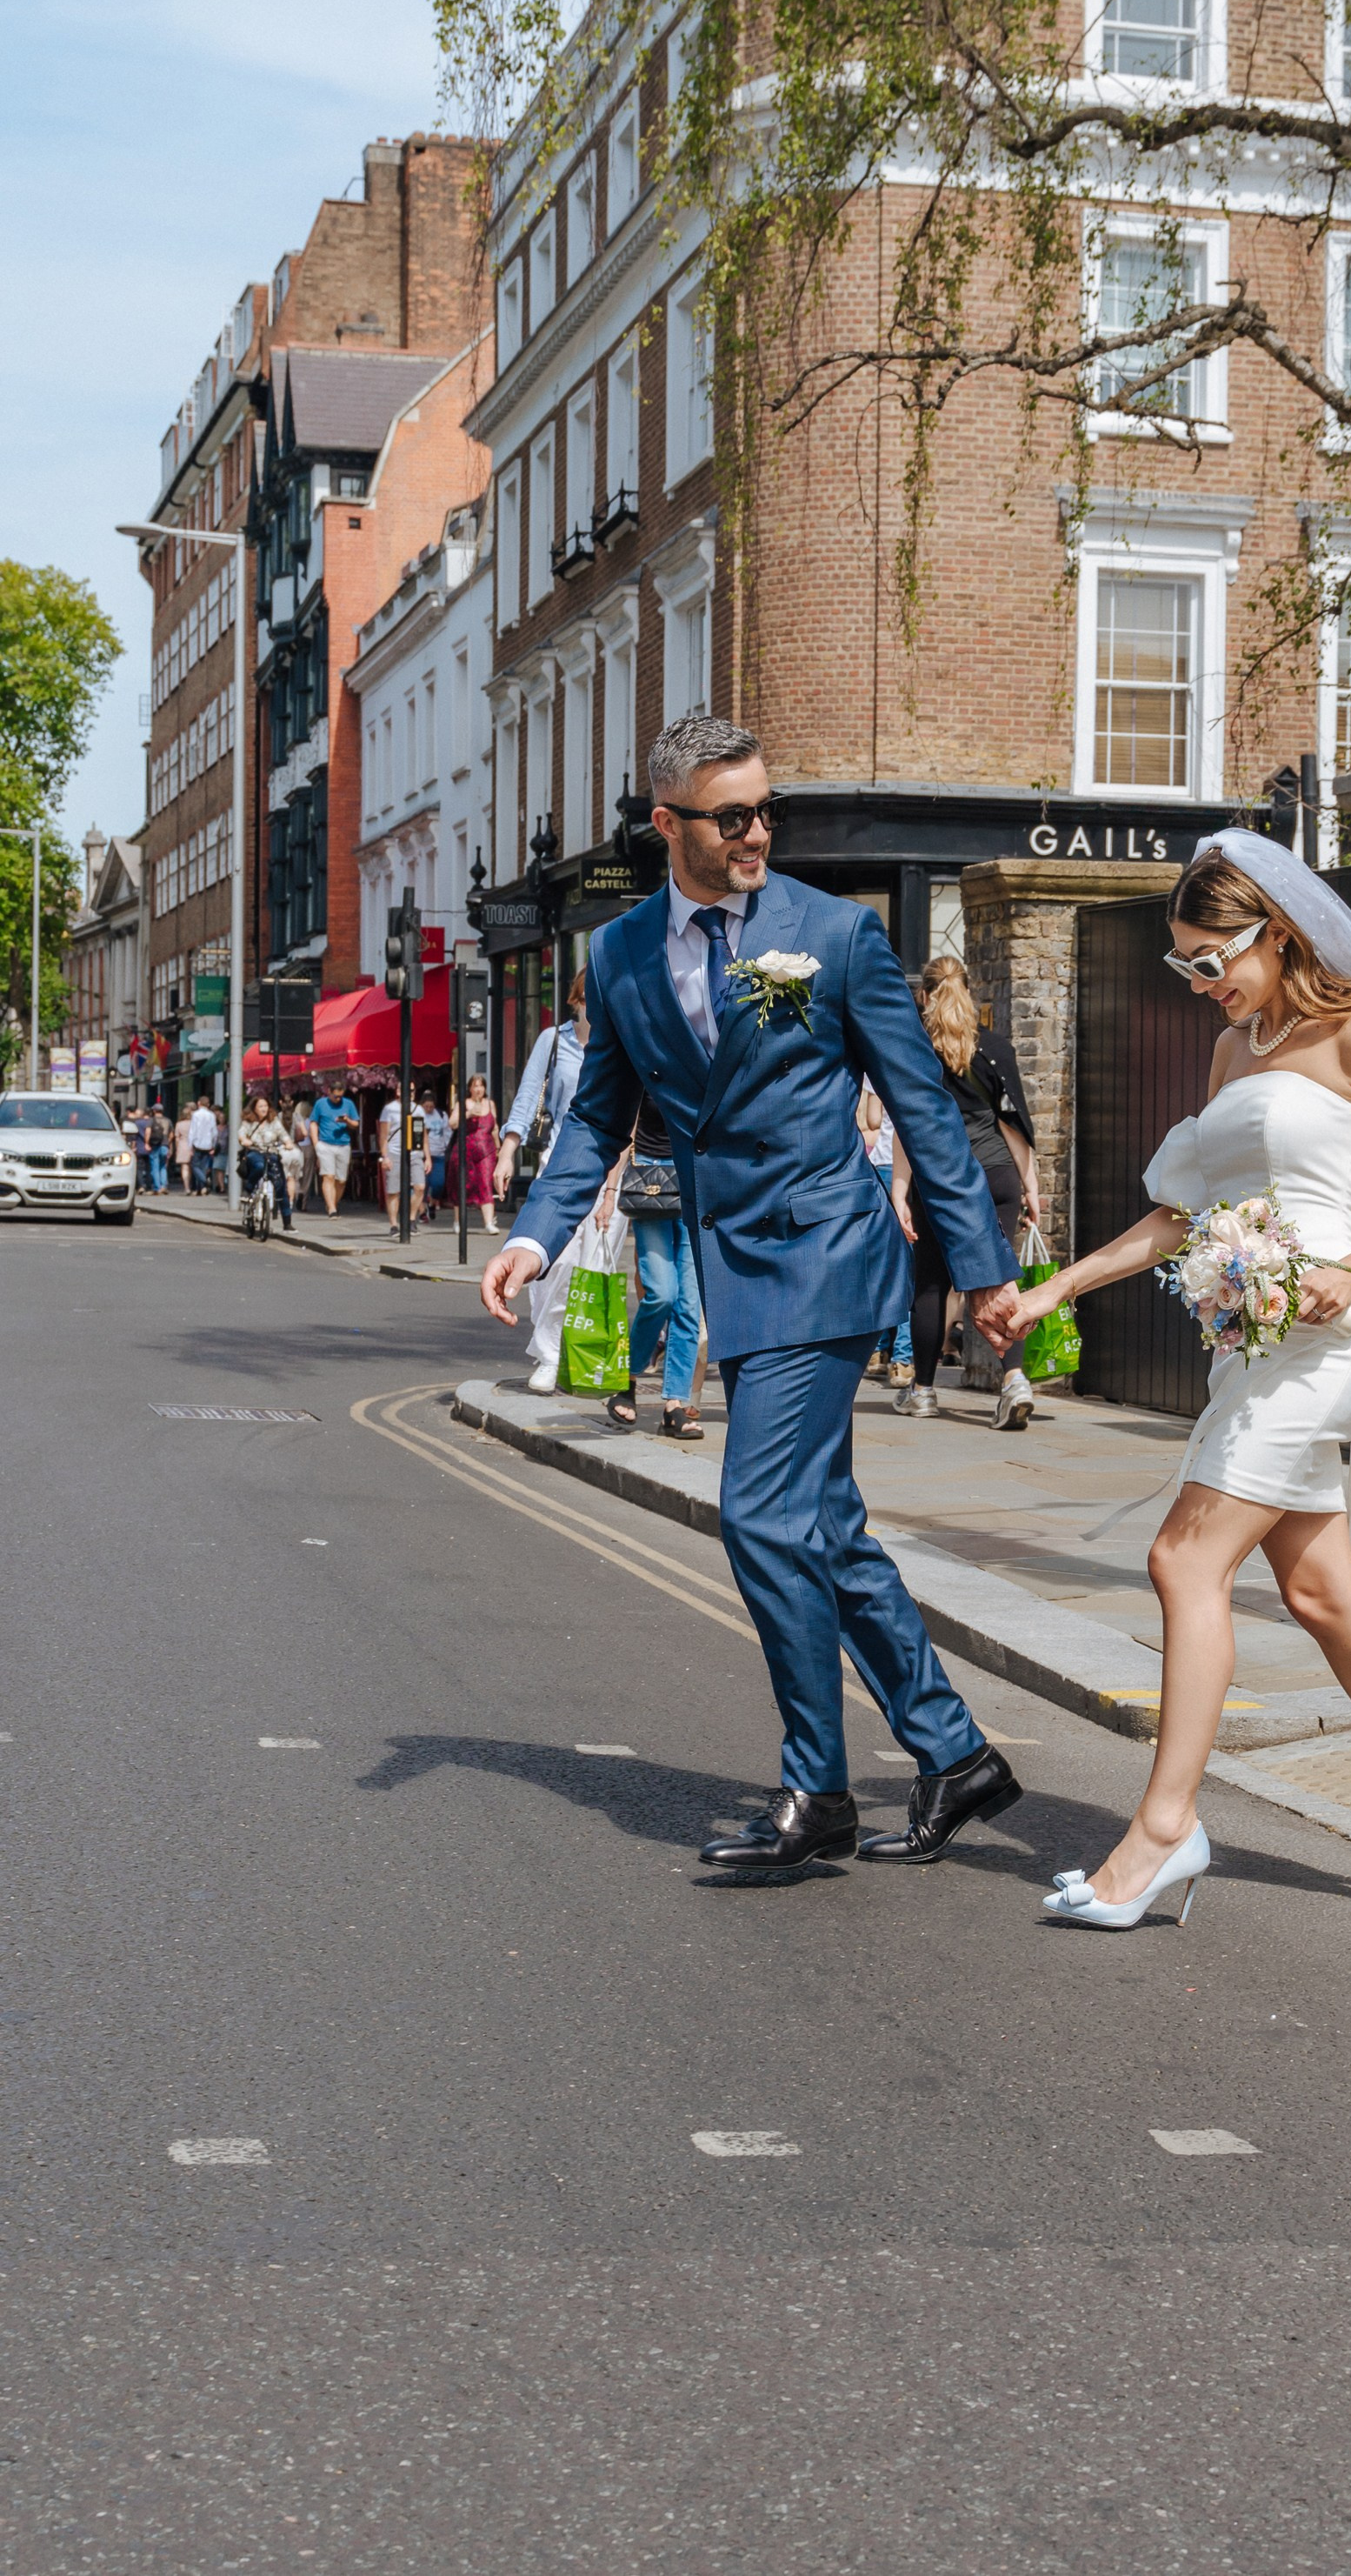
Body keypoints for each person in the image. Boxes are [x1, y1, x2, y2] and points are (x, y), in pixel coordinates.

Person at [482, 712, 1026, 1874]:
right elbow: (597, 1115)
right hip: (736, 1262)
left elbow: (924, 1111)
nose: (757, 833)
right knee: (822, 1527)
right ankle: (953, 1753)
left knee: (760, 1513)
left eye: (765, 811)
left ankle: (815, 1789)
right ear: (665, 822)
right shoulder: (620, 954)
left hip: (827, 1255)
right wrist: (535, 1235)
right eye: (732, 816)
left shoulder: (831, 935)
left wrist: (983, 1273)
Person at [1010, 831, 1351, 1929]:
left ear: (1277, 931)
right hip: (1250, 1346)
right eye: (1185, 966)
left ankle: (1162, 1831)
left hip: (1330, 1346)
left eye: (1216, 958)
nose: (1203, 983)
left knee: (1180, 1556)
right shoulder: (1235, 1049)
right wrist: (1060, 1287)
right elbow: (1181, 1212)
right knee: (1318, 1590)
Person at [889, 958, 1042, 1431]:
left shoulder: (915, 1052)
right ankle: (1014, 1380)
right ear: (969, 992)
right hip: (997, 1174)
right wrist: (1031, 1187)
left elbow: (907, 1127)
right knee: (999, 1279)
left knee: (932, 1284)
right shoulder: (995, 1048)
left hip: (941, 1180)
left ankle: (924, 1392)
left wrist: (899, 1191)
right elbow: (1013, 1125)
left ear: (925, 995)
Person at [499, 974, 590, 1394]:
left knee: (592, 1268)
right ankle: (549, 1352)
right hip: (559, 1164)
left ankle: (576, 1355)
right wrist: (507, 1152)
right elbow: (529, 1095)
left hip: (609, 1171)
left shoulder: (619, 1040)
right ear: (576, 1001)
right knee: (554, 1264)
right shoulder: (555, 1041)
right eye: (589, 1000)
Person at [604, 1090, 706, 1441]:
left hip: (696, 1180)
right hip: (650, 1179)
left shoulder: (707, 1056)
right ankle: (626, 1379)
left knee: (688, 1304)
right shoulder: (646, 1057)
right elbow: (622, 1130)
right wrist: (608, 1192)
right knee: (661, 1292)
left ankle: (674, 1405)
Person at [855, 1078, 913, 1388]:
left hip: (883, 1165)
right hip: (909, 1167)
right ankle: (902, 1360)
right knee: (908, 1266)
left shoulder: (873, 1070)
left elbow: (873, 1120)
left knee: (881, 1264)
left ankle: (877, 1352)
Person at [453, 1072, 501, 1231]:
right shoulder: (463, 1103)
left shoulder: (490, 1104)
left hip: (486, 1150)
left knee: (486, 1183)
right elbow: (451, 1123)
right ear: (470, 1088)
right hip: (466, 1149)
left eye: (481, 1085)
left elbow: (494, 1128)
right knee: (463, 1184)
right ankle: (458, 1221)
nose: (478, 1089)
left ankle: (488, 1223)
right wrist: (467, 1114)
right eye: (475, 1085)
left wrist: (499, 1147)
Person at [240, 1091, 293, 1229]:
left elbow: (283, 1135)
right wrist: (244, 1140)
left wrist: (288, 1143)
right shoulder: (249, 1121)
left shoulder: (274, 1121)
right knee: (258, 1166)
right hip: (255, 1152)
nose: (263, 1108)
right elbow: (241, 1133)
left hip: (272, 1154)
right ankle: (248, 1189)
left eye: (265, 1106)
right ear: (254, 1108)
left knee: (280, 1186)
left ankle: (287, 1223)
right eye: (260, 1106)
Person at [378, 1088, 427, 1233]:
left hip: (415, 1153)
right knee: (393, 1190)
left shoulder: (418, 1109)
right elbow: (383, 1135)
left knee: (420, 1186)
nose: (410, 1092)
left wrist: (427, 1157)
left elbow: (423, 1134)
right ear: (398, 1091)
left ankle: (411, 1219)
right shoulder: (389, 1109)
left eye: (413, 1090)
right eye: (407, 1089)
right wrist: (385, 1156)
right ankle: (394, 1225)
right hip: (394, 1152)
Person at [309, 1085, 358, 1217]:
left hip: (343, 1144)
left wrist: (347, 1120)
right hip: (325, 1144)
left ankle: (332, 1203)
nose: (338, 1099)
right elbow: (313, 1122)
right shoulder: (320, 1104)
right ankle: (332, 1209)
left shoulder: (348, 1104)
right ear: (329, 1092)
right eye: (335, 1096)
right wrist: (316, 1144)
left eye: (340, 1096)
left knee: (341, 1180)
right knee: (328, 1176)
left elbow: (356, 1124)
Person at [423, 1091, 452, 1220]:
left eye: (431, 1106)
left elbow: (447, 1131)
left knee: (438, 1184)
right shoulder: (419, 1115)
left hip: (439, 1153)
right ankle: (423, 1213)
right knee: (422, 1185)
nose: (429, 1109)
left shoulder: (441, 1115)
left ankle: (432, 1204)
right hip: (423, 1155)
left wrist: (446, 1147)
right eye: (426, 1107)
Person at [187, 1094, 219, 1195]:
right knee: (203, 1167)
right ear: (208, 1105)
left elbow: (193, 1130)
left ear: (199, 1103)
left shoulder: (196, 1115)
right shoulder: (212, 1115)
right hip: (208, 1144)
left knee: (195, 1166)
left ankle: (204, 1181)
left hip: (197, 1143)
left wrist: (190, 1145)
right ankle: (201, 1188)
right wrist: (214, 1144)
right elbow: (214, 1131)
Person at [144, 1104, 170, 1195]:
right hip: (165, 1145)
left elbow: (148, 1132)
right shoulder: (168, 1120)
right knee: (163, 1166)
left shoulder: (151, 1120)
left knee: (155, 1166)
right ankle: (164, 1186)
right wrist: (168, 1143)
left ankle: (157, 1187)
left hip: (155, 1145)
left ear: (154, 1111)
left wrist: (147, 1143)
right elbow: (172, 1134)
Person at [172, 1105, 195, 1194]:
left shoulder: (179, 1124)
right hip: (192, 1145)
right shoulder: (193, 1123)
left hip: (182, 1145)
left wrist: (177, 1148)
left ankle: (187, 1187)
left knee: (184, 1167)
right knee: (192, 1167)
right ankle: (193, 1186)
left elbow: (177, 1138)